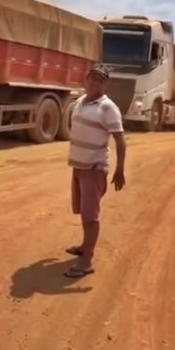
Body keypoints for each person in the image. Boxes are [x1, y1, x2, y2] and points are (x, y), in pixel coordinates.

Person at [64, 63, 127, 278]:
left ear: (106, 84)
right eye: (92, 77)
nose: (95, 82)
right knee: (84, 211)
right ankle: (84, 246)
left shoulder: (108, 107)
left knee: (91, 217)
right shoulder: (80, 101)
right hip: (79, 166)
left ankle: (87, 261)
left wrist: (119, 169)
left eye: (100, 79)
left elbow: (120, 139)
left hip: (94, 167)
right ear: (85, 79)